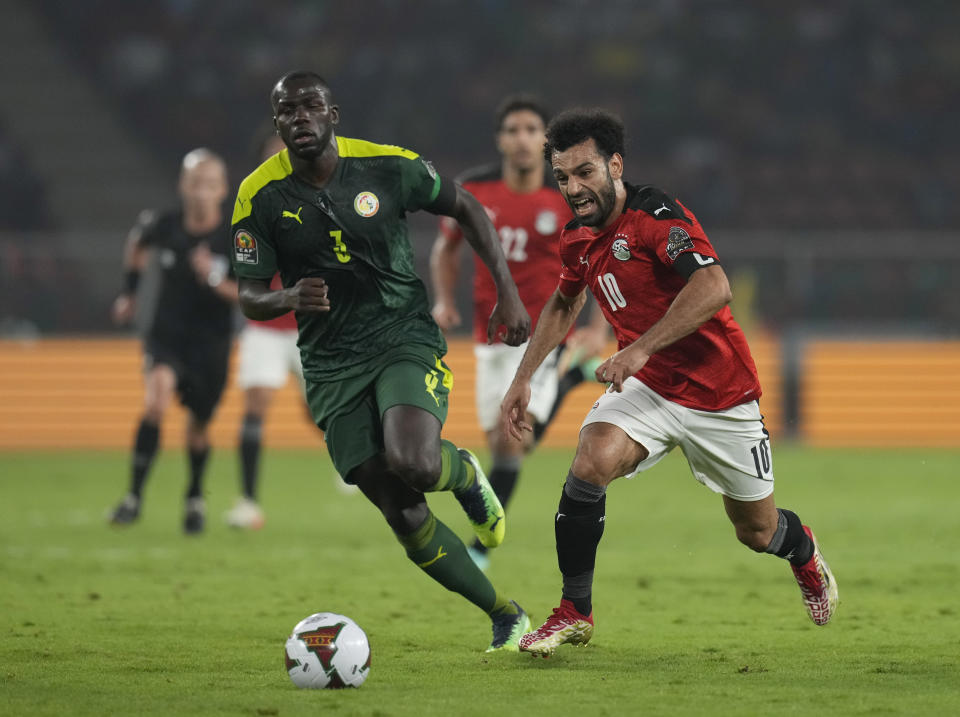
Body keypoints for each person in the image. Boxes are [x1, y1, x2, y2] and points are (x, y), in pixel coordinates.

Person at [501, 109, 839, 657]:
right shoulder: (576, 239)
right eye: (562, 177)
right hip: (651, 388)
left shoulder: (657, 216)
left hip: (720, 394)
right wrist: (524, 378)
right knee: (590, 461)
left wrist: (637, 349)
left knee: (757, 532)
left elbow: (713, 286)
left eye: (584, 172)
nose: (573, 188)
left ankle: (801, 551)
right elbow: (564, 303)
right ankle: (574, 611)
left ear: (615, 165)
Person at [229, 71, 532, 651]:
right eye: (287, 110)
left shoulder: (388, 166)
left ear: (333, 114)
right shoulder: (257, 195)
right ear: (277, 125)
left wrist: (507, 293)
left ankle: (464, 473)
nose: (300, 117)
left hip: (401, 336)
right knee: (404, 512)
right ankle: (505, 614)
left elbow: (466, 207)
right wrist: (287, 298)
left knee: (415, 461)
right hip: (329, 365)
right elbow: (247, 291)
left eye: (311, 106)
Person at [430, 94, 606, 571]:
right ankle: (572, 382)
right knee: (504, 443)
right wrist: (444, 300)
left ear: (546, 141)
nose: (523, 138)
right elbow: (445, 250)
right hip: (493, 336)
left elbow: (601, 257)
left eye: (532, 129)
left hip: (547, 331)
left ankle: (482, 546)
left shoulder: (566, 195)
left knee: (510, 444)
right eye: (513, 130)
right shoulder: (474, 190)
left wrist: (595, 325)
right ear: (500, 140)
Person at [109, 148, 237, 534]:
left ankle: (195, 496)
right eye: (195, 183)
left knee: (198, 427)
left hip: (211, 343)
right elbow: (136, 244)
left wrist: (213, 280)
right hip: (166, 336)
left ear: (223, 189)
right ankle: (133, 497)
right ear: (183, 185)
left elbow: (250, 294)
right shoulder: (163, 224)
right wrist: (130, 293)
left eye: (210, 184)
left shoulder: (235, 236)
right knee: (156, 402)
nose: (201, 192)